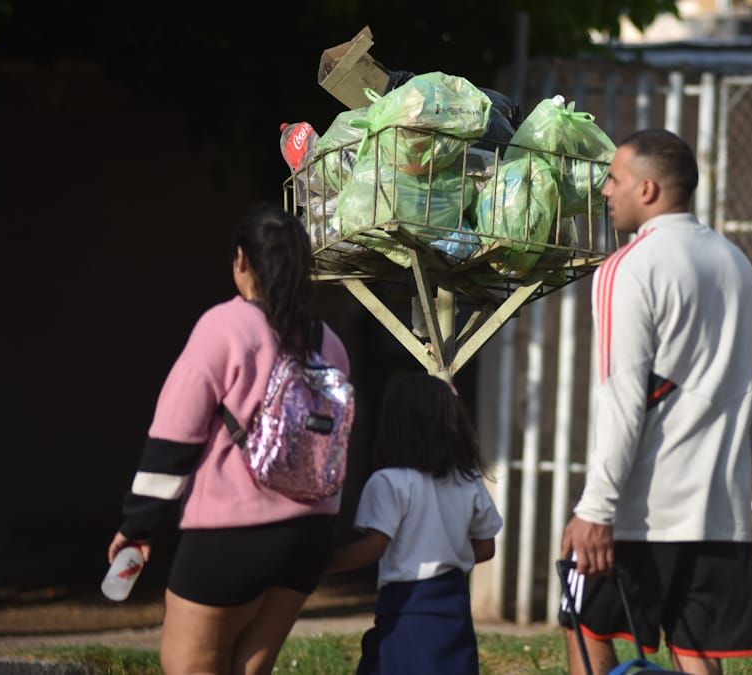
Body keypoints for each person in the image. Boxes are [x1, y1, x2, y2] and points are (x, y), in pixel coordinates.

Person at [559, 129, 752, 675]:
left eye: (615, 179)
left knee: (585, 628)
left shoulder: (629, 267)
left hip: (641, 511)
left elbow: (621, 397)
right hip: (720, 505)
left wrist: (597, 509)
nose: (606, 191)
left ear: (648, 190)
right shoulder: (740, 268)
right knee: (697, 650)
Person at [106, 202, 351, 674]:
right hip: (310, 537)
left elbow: (174, 438)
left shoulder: (225, 326)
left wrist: (137, 525)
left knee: (189, 664)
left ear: (241, 260)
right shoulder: (329, 342)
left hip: (231, 535)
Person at [327, 373, 503, 675]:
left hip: (406, 608)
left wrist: (318, 565)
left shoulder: (388, 482)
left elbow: (373, 547)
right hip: (454, 605)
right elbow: (486, 547)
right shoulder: (469, 479)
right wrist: (447, 554)